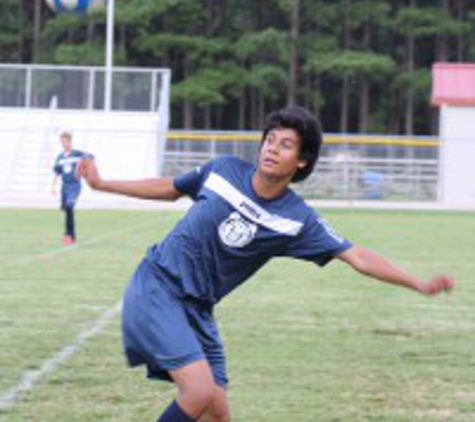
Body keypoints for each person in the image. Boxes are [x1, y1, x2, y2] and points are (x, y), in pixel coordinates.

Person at [77, 106, 454, 422]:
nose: (271, 148)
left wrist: (418, 284)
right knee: (198, 391)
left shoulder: (296, 220)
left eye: (285, 145)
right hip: (159, 285)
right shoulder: (223, 170)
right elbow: (170, 187)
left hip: (199, 309)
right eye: (269, 139)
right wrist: (104, 184)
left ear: (301, 161)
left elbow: (357, 257)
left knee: (215, 412)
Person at [52, 130, 91, 246]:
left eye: (65, 141)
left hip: (74, 186)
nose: (63, 144)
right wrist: (53, 186)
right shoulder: (60, 157)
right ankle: (69, 235)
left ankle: (69, 235)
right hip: (64, 187)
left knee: (69, 207)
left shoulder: (77, 154)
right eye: (62, 142)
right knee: (67, 210)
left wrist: (84, 171)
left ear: (70, 141)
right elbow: (56, 172)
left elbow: (90, 158)